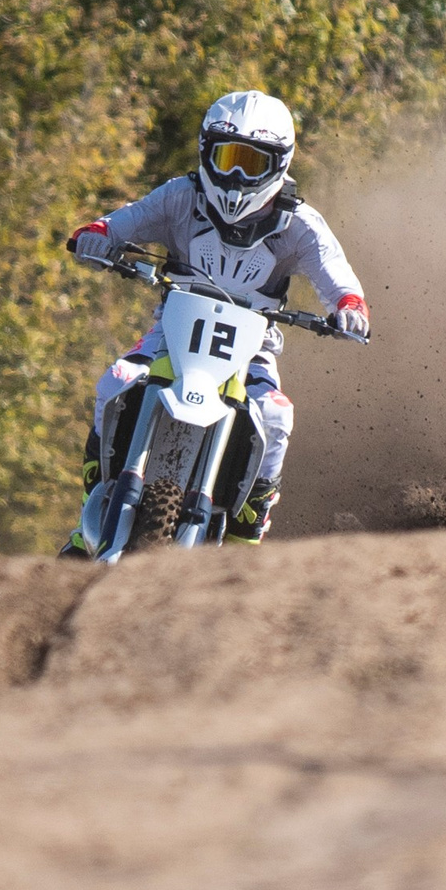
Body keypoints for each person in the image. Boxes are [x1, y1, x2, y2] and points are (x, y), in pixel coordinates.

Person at [62, 90, 369, 554]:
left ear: (279, 165)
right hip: (171, 334)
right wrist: (98, 235)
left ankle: (247, 537)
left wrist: (349, 306)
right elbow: (126, 220)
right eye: (227, 158)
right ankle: (94, 504)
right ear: (206, 152)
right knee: (116, 381)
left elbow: (336, 275)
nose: (236, 176)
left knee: (275, 416)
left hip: (253, 350)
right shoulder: (181, 197)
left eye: (252, 162)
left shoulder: (300, 225)